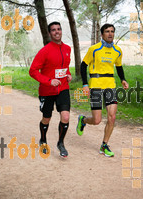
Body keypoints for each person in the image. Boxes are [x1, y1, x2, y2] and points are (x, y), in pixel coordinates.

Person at [76, 23, 129, 157]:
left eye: (112, 31)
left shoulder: (117, 50)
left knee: (112, 117)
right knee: (97, 120)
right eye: (107, 31)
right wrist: (85, 84)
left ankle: (104, 145)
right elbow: (83, 66)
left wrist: (123, 79)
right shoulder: (94, 49)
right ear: (102, 34)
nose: (110, 34)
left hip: (110, 85)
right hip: (96, 85)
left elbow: (119, 66)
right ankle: (83, 120)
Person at [29, 21, 72, 158]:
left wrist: (68, 74)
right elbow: (33, 71)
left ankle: (60, 143)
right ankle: (43, 139)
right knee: (46, 118)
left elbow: (64, 66)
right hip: (47, 91)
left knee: (65, 116)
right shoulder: (45, 51)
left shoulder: (67, 49)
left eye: (58, 29)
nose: (56, 32)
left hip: (63, 88)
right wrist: (48, 81)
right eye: (53, 30)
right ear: (49, 33)